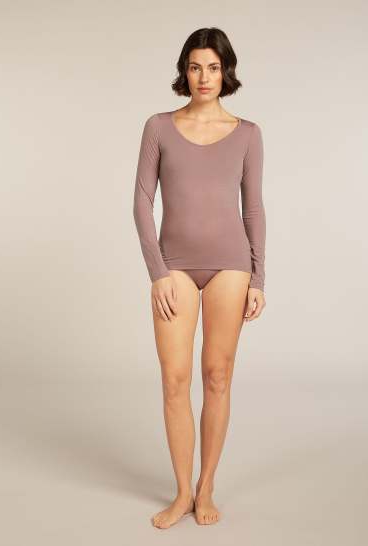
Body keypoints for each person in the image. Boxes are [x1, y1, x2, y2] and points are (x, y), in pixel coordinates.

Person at [133, 27, 266, 529]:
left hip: (231, 264)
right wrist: (157, 272)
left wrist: (259, 277)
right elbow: (141, 202)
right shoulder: (158, 127)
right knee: (174, 379)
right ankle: (181, 492)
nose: (203, 77)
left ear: (225, 71)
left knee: (217, 375)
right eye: (194, 67)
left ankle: (206, 485)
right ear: (184, 72)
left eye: (212, 67)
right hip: (175, 267)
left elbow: (253, 209)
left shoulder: (248, 133)